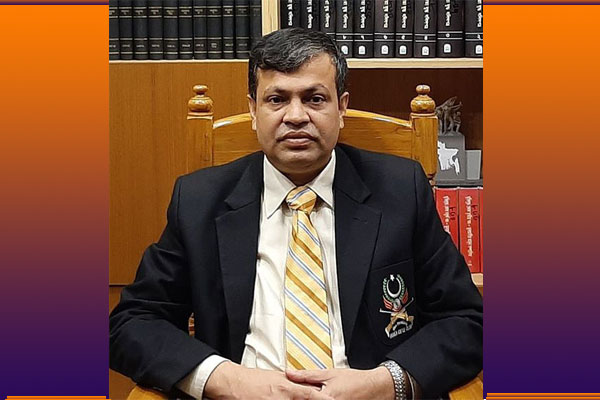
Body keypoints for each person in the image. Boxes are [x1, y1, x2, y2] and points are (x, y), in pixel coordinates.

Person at [109, 28, 483, 400]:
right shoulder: (199, 201)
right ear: (253, 110)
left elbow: (467, 322)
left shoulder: (401, 191)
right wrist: (227, 380)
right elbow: (131, 324)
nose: (296, 116)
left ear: (342, 107)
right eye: (277, 99)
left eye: (315, 99)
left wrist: (384, 384)